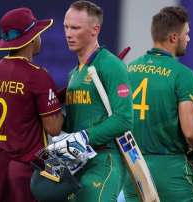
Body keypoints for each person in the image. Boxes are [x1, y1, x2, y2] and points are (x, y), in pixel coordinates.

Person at [123, 6, 193, 202]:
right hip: (170, 171)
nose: (188, 39)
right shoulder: (182, 74)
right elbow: (191, 132)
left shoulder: (128, 70)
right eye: (186, 34)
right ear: (173, 37)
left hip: (133, 169)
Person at [0, 7, 63, 202]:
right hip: (28, 166)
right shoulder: (38, 75)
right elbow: (53, 128)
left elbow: (21, 105)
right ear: (32, 39)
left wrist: (56, 97)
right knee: (69, 188)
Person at [57, 0, 133, 201]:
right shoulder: (74, 73)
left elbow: (124, 119)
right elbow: (73, 125)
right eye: (66, 27)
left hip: (104, 160)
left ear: (95, 29)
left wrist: (82, 138)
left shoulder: (111, 66)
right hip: (76, 160)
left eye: (75, 28)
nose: (68, 33)